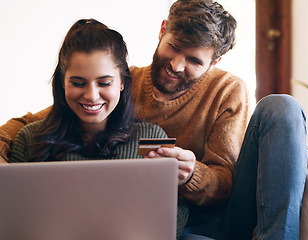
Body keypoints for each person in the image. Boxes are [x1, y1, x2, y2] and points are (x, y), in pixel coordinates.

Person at [0, 1, 308, 239]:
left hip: (218, 215)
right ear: (162, 30)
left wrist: (191, 175)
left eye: (193, 60)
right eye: (173, 47)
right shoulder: (118, 83)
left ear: (214, 62)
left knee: (282, 107)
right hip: (157, 219)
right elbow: (35, 123)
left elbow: (227, 184)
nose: (175, 65)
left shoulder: (228, 90)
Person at [6, 19, 188, 239]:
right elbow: (12, 222)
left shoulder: (150, 139)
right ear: (63, 83)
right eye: (78, 83)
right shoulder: (29, 139)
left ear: (122, 83)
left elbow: (171, 223)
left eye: (104, 83)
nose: (91, 95)